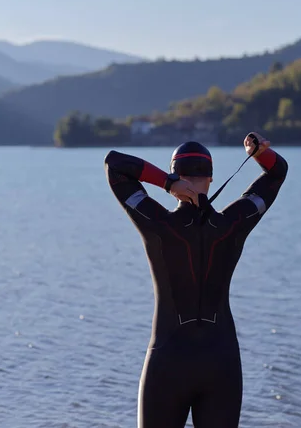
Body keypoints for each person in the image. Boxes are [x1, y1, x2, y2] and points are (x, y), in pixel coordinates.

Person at [104, 132, 288, 428]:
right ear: (211, 179)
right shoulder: (234, 223)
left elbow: (114, 164)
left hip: (168, 360)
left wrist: (166, 182)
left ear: (176, 175)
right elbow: (277, 173)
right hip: (222, 362)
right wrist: (259, 153)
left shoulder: (157, 223)